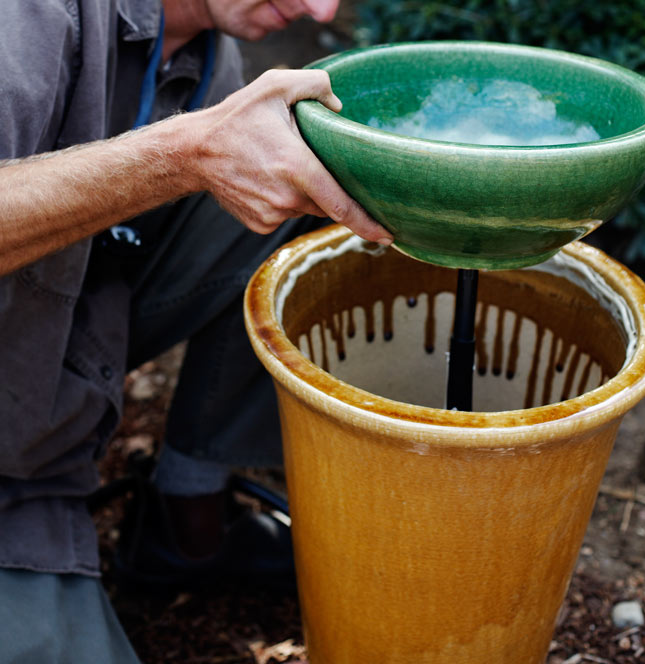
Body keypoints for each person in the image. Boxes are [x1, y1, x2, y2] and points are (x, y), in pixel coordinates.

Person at [0, 1, 393, 662]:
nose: (320, 8)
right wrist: (181, 155)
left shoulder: (209, 53)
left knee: (329, 170)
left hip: (40, 388)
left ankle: (185, 520)